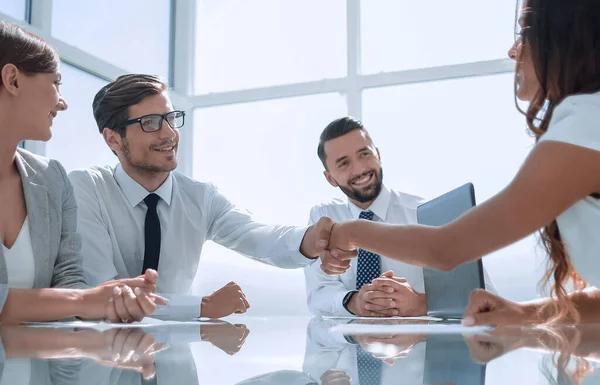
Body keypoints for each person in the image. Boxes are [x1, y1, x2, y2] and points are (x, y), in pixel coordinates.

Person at [323, 0, 600, 326]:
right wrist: (522, 313)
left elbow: (445, 249)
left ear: (568, 39)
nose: (513, 51)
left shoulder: (586, 123)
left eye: (526, 32)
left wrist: (350, 231)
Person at [69, 74, 347, 320]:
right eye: (150, 123)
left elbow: (257, 235)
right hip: (103, 361)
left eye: (170, 118)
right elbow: (105, 292)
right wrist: (201, 307)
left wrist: (310, 241)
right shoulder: (87, 188)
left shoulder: (200, 197)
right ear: (113, 139)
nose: (169, 134)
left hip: (173, 362)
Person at [0, 22, 165, 324]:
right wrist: (83, 300)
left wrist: (109, 301)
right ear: (13, 80)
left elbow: (69, 283)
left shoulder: (51, 177)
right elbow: (73, 299)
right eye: (56, 83)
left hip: (35, 367)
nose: (62, 103)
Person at [304, 117, 496, 317]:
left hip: (423, 346)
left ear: (378, 154)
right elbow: (318, 294)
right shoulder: (324, 220)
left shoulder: (426, 213)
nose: (360, 169)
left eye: (364, 154)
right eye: (344, 163)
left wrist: (423, 304)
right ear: (330, 178)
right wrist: (355, 302)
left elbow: (488, 296)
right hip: (348, 345)